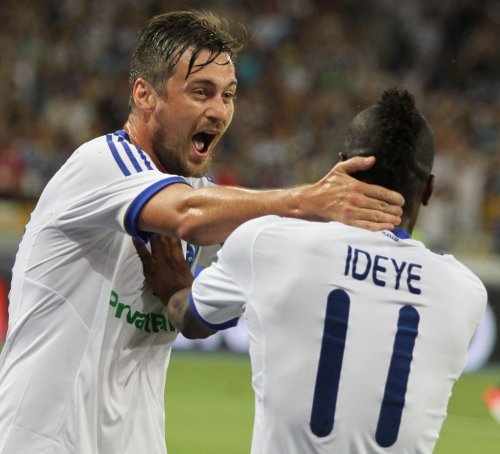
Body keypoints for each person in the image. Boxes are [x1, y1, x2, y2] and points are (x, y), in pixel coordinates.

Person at [0, 10, 405, 454]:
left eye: (228, 95)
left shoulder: (206, 201)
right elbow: (187, 214)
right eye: (201, 92)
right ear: (145, 95)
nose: (219, 111)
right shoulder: (100, 165)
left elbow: (204, 309)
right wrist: (309, 199)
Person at [137, 88, 488, 453]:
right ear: (429, 189)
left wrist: (175, 288)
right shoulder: (465, 293)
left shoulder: (269, 242)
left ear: (341, 167)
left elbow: (193, 319)